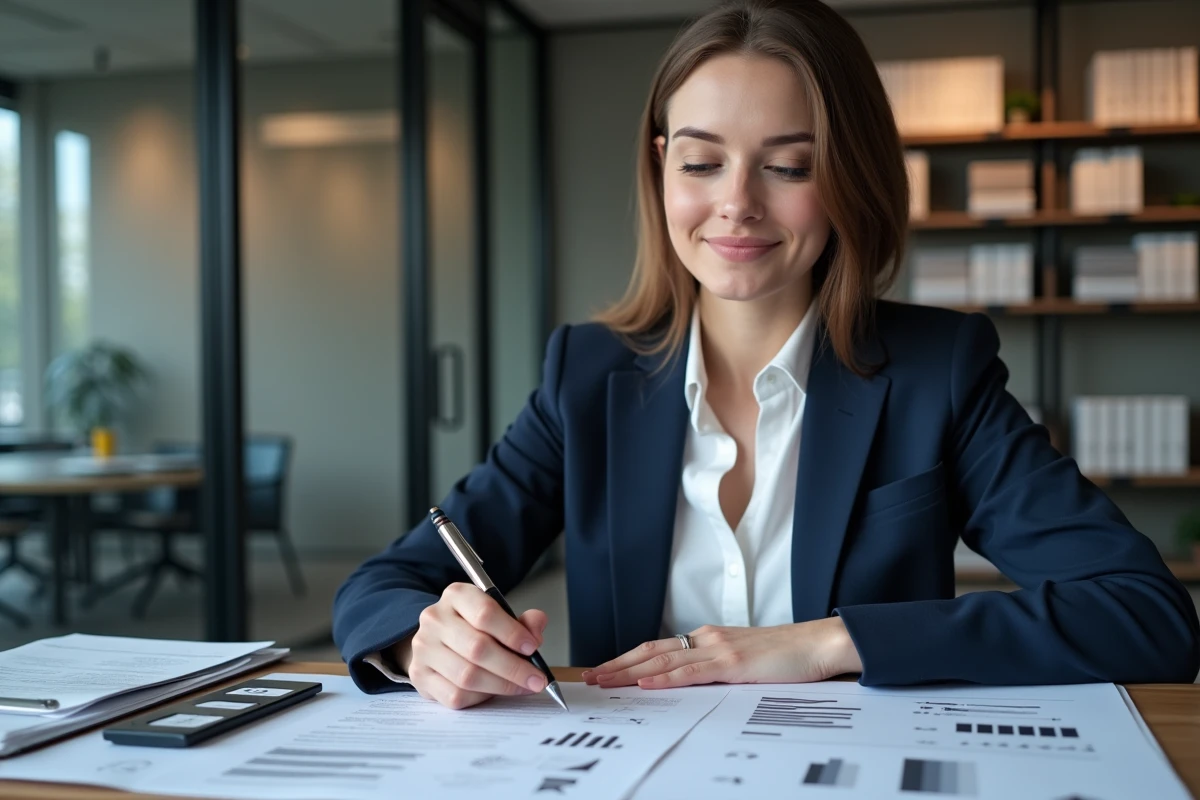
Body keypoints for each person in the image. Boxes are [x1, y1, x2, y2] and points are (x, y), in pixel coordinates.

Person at [333, 0, 1199, 709]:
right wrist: (421, 644)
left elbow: (1147, 617)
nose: (737, 203)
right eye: (702, 163)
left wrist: (829, 643)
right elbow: (385, 585)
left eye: (787, 167)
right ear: (662, 167)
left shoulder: (938, 371)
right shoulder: (586, 376)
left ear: (850, 177)